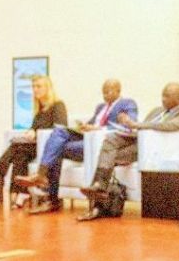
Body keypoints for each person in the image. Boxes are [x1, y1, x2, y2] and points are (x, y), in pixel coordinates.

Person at [75, 82, 179, 221]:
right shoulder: (157, 110)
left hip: (153, 149)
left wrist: (136, 125)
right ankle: (99, 186)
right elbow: (140, 127)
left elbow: (169, 125)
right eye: (162, 95)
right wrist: (127, 123)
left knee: (107, 156)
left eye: (167, 96)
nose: (163, 99)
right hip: (138, 140)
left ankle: (97, 205)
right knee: (110, 140)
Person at [15, 79, 138, 214]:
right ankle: (43, 179)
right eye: (103, 93)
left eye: (108, 92)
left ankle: (49, 195)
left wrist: (98, 129)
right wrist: (84, 126)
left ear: (118, 91)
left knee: (57, 148)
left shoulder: (128, 103)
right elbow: (92, 123)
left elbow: (129, 126)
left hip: (101, 143)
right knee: (59, 133)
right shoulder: (100, 107)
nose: (105, 96)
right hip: (85, 139)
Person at [0, 75, 67, 209]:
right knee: (19, 154)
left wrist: (37, 133)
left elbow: (61, 129)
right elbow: (34, 128)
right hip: (34, 146)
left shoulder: (58, 105)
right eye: (33, 87)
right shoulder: (39, 110)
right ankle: (19, 195)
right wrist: (30, 132)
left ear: (48, 88)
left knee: (16, 147)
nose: (35, 89)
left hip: (48, 147)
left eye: (38, 86)